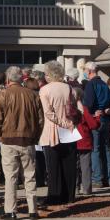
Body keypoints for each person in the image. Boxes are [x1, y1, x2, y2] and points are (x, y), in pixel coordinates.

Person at [0, 66, 44, 220]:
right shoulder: (32, 95)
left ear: (8, 79)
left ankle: (11, 210)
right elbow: (40, 121)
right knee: (30, 176)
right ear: (22, 78)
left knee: (11, 177)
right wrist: (35, 137)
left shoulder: (3, 95)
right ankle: (33, 210)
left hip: (8, 140)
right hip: (27, 140)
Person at [38, 61, 77, 206]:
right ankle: (69, 196)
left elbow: (48, 113)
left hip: (52, 130)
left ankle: (54, 195)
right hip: (69, 129)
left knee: (53, 166)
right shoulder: (69, 87)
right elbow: (72, 108)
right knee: (69, 164)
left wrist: (62, 122)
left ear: (49, 74)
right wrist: (68, 123)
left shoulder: (45, 90)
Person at [82, 62, 110, 187]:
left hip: (96, 119)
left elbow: (88, 103)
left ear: (89, 71)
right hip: (106, 118)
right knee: (106, 148)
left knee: (95, 149)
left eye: (84, 70)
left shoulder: (91, 84)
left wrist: (91, 112)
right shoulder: (105, 84)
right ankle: (109, 178)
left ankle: (97, 179)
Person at [72, 87, 100, 196]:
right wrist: (97, 118)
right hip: (84, 140)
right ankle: (87, 189)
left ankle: (74, 188)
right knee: (86, 167)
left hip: (72, 140)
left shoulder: (69, 109)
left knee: (74, 167)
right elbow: (93, 125)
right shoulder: (84, 109)